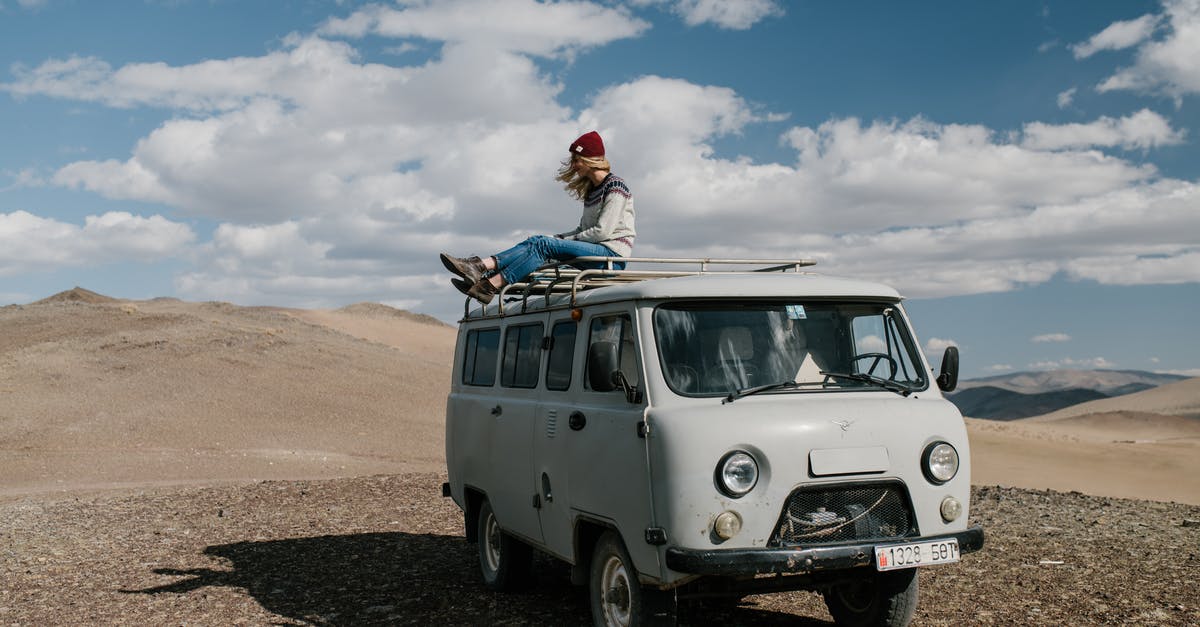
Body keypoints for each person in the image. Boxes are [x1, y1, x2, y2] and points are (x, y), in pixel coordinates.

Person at [439, 131, 635, 305]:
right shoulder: (593, 190)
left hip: (611, 254)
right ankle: (483, 274)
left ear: (590, 159)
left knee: (544, 244)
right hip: (596, 251)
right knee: (537, 241)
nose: (574, 166)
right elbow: (582, 229)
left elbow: (603, 231)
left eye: (577, 160)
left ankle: (486, 279)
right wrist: (557, 238)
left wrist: (557, 242)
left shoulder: (615, 186)